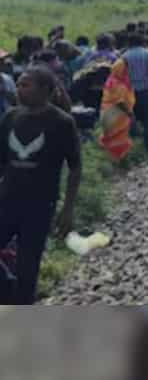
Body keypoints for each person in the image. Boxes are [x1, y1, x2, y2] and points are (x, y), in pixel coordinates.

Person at [0, 65, 82, 303]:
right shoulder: (10, 118)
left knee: (28, 267)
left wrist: (68, 209)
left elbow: (75, 167)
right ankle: (8, 290)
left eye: (25, 85)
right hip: (7, 201)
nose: (19, 89)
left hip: (39, 206)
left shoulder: (61, 122)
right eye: (18, 84)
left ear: (45, 89)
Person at [122, 34, 148, 151]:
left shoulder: (124, 56)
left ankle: (131, 145)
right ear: (142, 41)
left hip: (131, 92)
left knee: (132, 116)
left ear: (129, 43)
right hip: (147, 89)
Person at [98, 57, 136, 162]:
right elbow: (119, 102)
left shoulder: (113, 79)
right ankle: (116, 160)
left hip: (110, 113)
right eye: (126, 68)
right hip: (115, 114)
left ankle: (114, 160)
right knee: (116, 138)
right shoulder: (117, 83)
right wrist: (129, 113)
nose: (128, 70)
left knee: (112, 137)